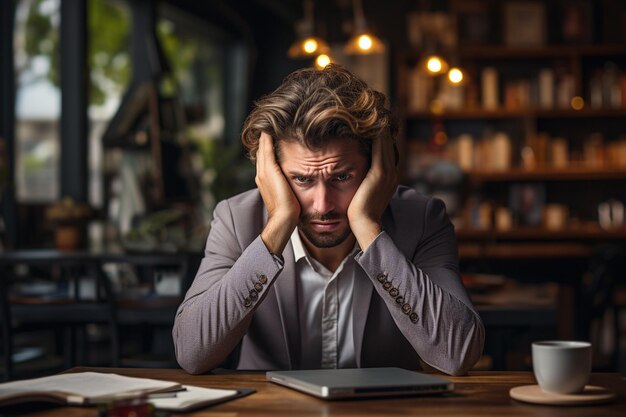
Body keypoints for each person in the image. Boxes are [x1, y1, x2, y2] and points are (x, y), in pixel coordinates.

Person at [173, 64, 484, 376]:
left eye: (342, 176)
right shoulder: (235, 219)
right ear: (273, 173)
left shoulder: (422, 219)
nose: (323, 204)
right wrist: (278, 223)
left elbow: (457, 353)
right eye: (302, 180)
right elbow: (192, 353)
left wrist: (367, 226)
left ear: (379, 166)